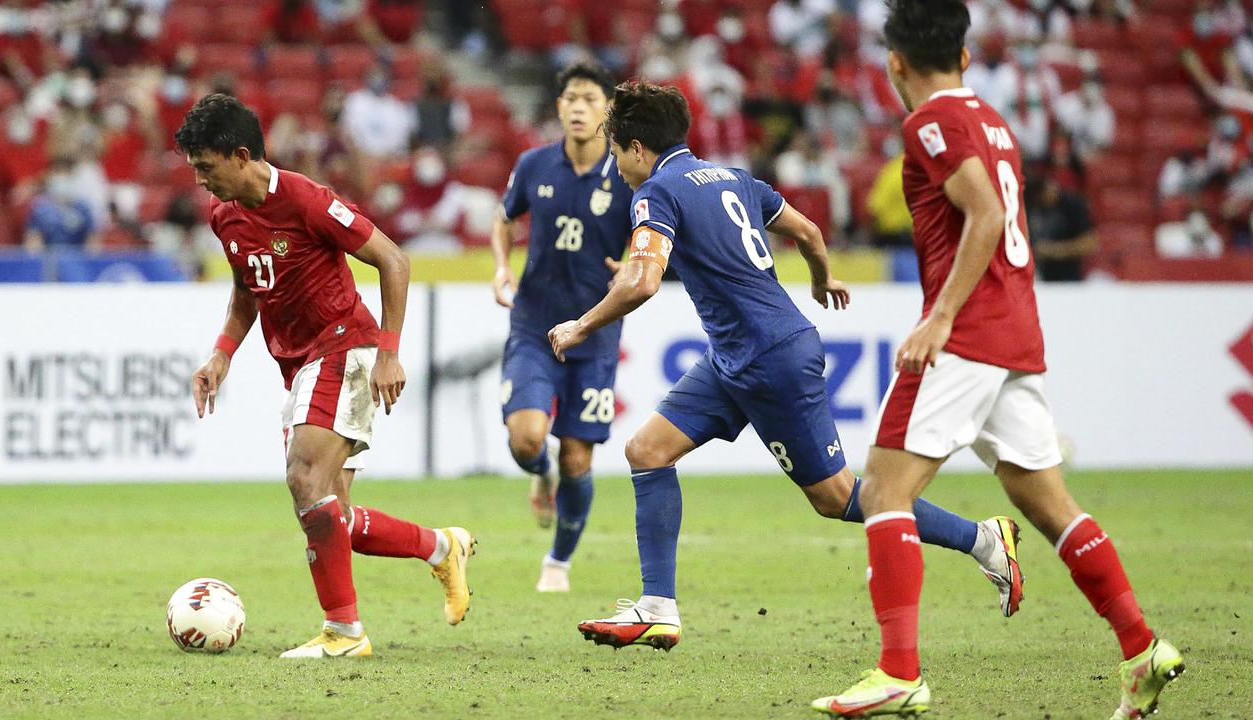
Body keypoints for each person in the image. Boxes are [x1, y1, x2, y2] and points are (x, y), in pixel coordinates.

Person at [548, 80, 1025, 653]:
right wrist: (823, 279)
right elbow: (809, 231)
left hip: (770, 357)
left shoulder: (655, 190)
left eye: (617, 152)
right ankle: (658, 607)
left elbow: (643, 280)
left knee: (839, 496)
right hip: (736, 357)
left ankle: (983, 540)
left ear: (636, 148)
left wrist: (580, 325)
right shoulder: (733, 178)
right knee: (646, 451)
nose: (616, 165)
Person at [813, 3, 1183, 717]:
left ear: (895, 62)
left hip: (969, 334)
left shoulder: (928, 123)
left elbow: (983, 214)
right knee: (1046, 502)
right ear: (965, 56)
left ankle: (898, 671)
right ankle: (1141, 648)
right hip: (1017, 332)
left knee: (885, 492)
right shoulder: (992, 120)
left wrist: (942, 316)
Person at [177, 94, 475, 659]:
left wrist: (389, 352)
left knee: (303, 480)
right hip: (300, 365)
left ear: (241, 156)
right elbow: (248, 289)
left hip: (345, 346)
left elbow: (394, 259)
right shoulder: (224, 216)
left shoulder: (308, 201)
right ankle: (441, 547)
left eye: (206, 167)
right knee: (331, 510)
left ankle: (344, 632)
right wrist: (222, 353)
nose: (200, 181)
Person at [491, 62, 632, 593]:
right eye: (570, 97)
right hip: (533, 324)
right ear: (558, 107)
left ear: (608, 112)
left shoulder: (627, 176)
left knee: (577, 455)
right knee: (527, 438)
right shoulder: (534, 165)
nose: (578, 107)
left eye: (590, 99)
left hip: (594, 333)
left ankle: (558, 562)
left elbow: (656, 238)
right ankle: (539, 474)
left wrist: (637, 265)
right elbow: (504, 218)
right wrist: (502, 266)